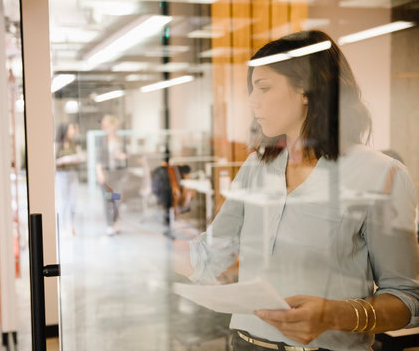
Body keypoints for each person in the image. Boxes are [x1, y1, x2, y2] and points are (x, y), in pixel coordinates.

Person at [175, 30, 419, 351]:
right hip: (244, 344)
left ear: (306, 89)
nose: (252, 100)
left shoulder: (381, 174)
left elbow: (407, 298)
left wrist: (334, 315)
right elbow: (210, 257)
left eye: (263, 87)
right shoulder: (256, 167)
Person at [96, 115, 127, 236]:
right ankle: (109, 225)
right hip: (106, 174)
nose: (105, 128)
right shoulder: (102, 140)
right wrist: (99, 173)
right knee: (107, 200)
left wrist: (121, 156)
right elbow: (98, 159)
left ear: (113, 126)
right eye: (104, 126)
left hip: (118, 174)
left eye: (107, 125)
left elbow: (127, 156)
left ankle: (114, 221)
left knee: (117, 199)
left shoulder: (121, 140)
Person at [56, 122, 83, 236]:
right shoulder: (57, 145)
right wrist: (64, 159)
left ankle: (70, 224)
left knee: (73, 202)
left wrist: (76, 158)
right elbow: (54, 162)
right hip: (62, 175)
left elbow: (77, 157)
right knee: (64, 202)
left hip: (72, 173)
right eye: (71, 129)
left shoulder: (73, 144)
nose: (73, 131)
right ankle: (62, 227)